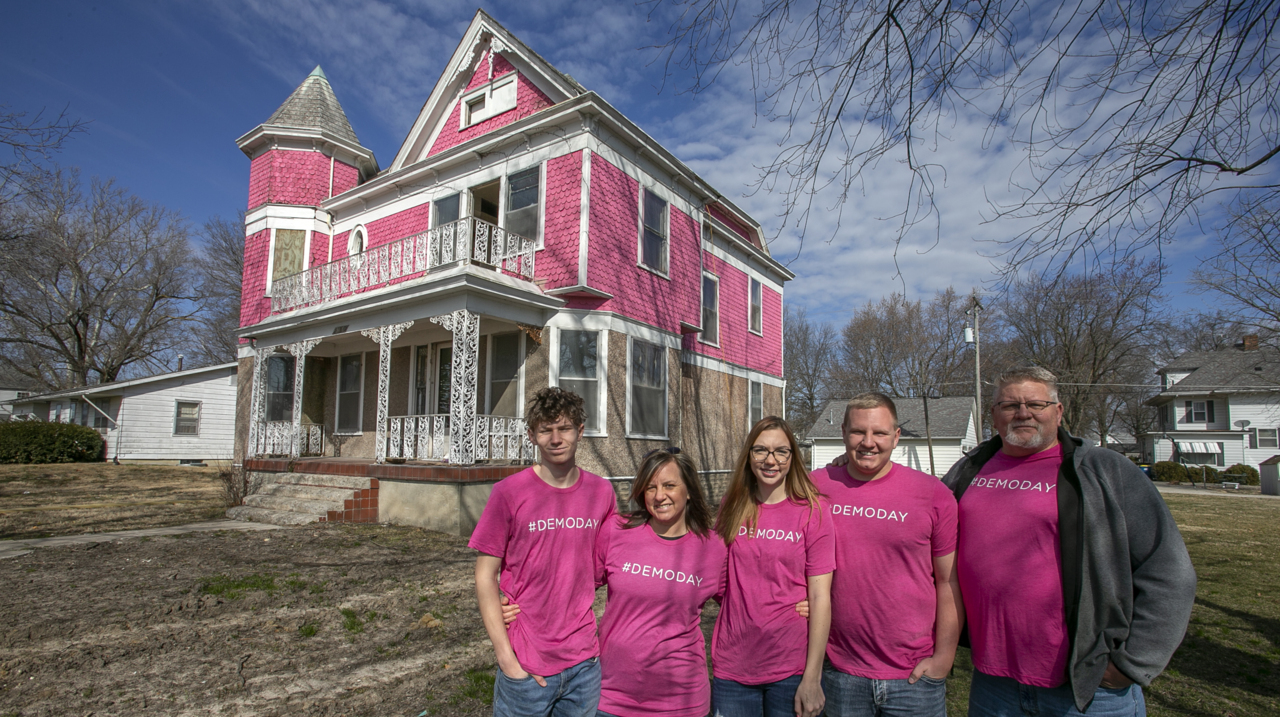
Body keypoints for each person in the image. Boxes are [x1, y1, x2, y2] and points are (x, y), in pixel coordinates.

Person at [941, 366, 1196, 717]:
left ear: (1058, 412)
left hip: (1086, 688)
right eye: (1009, 405)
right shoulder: (968, 470)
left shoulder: (1105, 471)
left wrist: (1133, 664)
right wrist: (850, 469)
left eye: (1036, 403)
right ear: (994, 416)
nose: (1023, 413)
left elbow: (1168, 570)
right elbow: (916, 523)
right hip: (993, 680)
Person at [469, 387, 617, 717]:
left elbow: (608, 569)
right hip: (526, 666)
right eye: (545, 430)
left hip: (584, 665)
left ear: (580, 432)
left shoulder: (601, 493)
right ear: (532, 435)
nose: (555, 438)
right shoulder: (508, 493)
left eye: (564, 428)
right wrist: (507, 660)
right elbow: (484, 575)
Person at [811, 393, 962, 717]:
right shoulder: (814, 487)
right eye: (857, 432)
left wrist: (944, 658)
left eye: (879, 433)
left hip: (914, 678)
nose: (868, 442)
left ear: (895, 437)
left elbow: (948, 581)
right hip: (839, 672)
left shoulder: (934, 495)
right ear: (843, 434)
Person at [712, 416, 834, 717]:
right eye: (761, 450)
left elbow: (820, 596)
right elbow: (717, 578)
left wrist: (812, 677)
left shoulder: (813, 510)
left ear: (793, 456)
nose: (771, 460)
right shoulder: (732, 505)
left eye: (781, 451)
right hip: (733, 665)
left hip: (790, 666)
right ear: (749, 456)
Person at [593, 447, 728, 717]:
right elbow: (575, 588)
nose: (659, 495)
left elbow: (745, 603)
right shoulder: (617, 530)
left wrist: (799, 605)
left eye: (669, 485)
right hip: (611, 696)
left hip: (681, 701)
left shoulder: (713, 548)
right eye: (651, 487)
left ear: (689, 490)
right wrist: (520, 603)